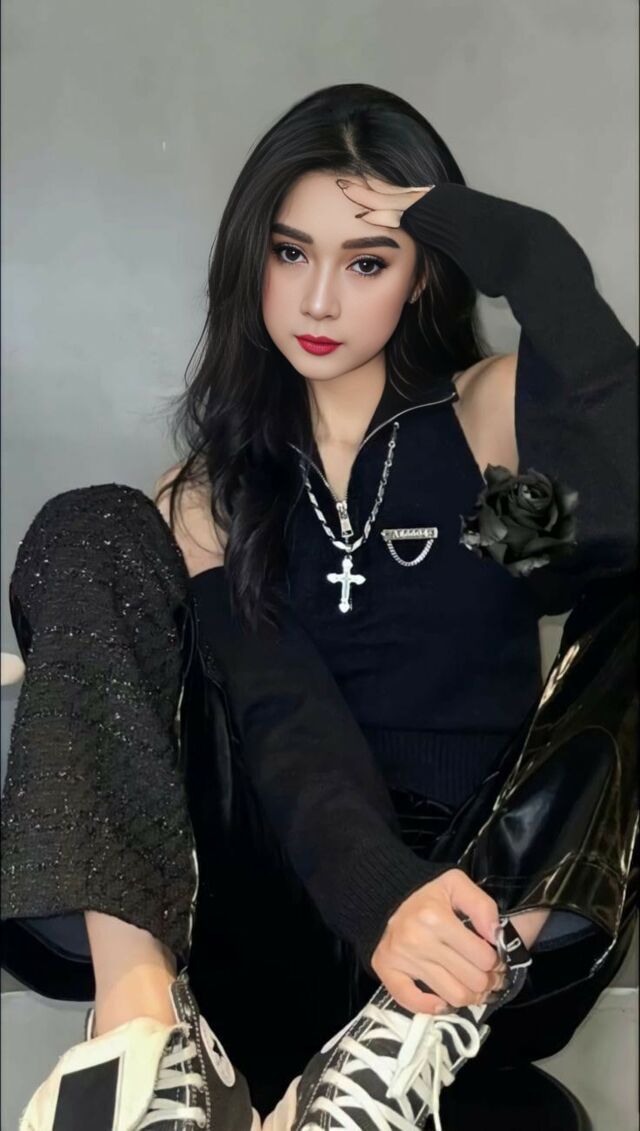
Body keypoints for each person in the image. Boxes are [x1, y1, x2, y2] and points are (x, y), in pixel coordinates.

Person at [1, 83, 637, 1131]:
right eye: (290, 253)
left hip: (474, 925)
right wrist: (378, 893)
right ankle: (140, 1037)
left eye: (368, 261)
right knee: (97, 523)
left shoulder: (484, 428)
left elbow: (620, 513)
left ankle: (403, 1039)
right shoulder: (212, 493)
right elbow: (277, 710)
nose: (319, 302)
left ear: (423, 272)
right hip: (273, 904)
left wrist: (534, 259)